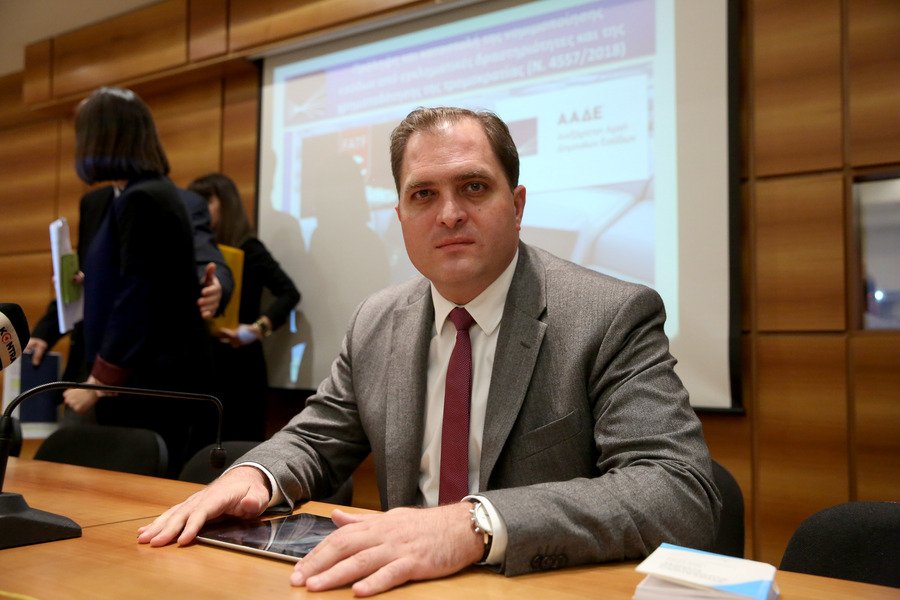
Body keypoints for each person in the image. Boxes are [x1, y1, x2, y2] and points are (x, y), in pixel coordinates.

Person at [138, 107, 721, 595]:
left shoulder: (610, 315)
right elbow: (315, 440)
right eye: (423, 194)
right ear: (400, 217)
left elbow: (677, 490)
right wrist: (256, 475)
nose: (449, 214)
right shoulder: (376, 321)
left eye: (474, 187)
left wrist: (473, 526)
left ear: (517, 205)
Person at [64, 86, 216, 476]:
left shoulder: (143, 198)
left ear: (105, 137)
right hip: (139, 381)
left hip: (147, 385)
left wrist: (99, 380)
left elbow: (139, 298)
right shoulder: (132, 194)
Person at [26, 185, 234, 409]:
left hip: (151, 381)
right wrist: (46, 331)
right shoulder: (95, 202)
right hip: (88, 371)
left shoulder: (182, 202)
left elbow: (208, 259)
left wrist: (216, 285)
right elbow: (86, 275)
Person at [187, 172, 300, 441]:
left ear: (225, 204)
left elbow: (289, 293)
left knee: (239, 444)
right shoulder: (193, 251)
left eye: (206, 201)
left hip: (240, 365)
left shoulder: (249, 247)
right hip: (201, 363)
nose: (198, 208)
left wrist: (257, 329)